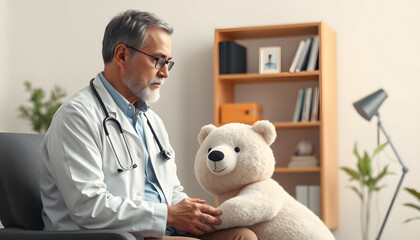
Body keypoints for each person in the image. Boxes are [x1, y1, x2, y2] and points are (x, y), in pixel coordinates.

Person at [38, 9, 257, 240]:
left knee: (243, 235)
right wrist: (169, 215)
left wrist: (194, 213)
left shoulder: (150, 120)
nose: (164, 73)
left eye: (167, 63)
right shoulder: (76, 116)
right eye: (158, 60)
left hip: (159, 230)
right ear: (122, 55)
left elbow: (170, 190)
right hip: (112, 236)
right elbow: (88, 208)